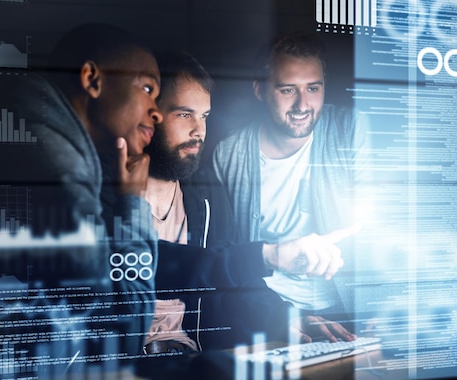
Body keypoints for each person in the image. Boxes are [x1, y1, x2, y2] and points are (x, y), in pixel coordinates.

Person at [134, 50, 360, 354]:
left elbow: (235, 282)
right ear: (149, 115)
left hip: (194, 358)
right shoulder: (105, 191)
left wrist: (284, 318)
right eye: (185, 114)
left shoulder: (206, 193)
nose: (198, 130)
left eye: (205, 116)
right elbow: (146, 261)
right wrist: (268, 255)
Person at [0, 22, 162, 359]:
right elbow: (118, 334)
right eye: (147, 89)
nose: (158, 113)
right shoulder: (59, 169)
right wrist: (133, 203)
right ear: (92, 80)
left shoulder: (29, 134)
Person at [212, 31, 374, 339]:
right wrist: (273, 315)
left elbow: (377, 229)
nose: (303, 104)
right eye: (288, 90)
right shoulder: (229, 153)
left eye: (313, 88)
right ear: (260, 90)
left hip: (346, 308)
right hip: (268, 312)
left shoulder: (349, 129)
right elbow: (227, 254)